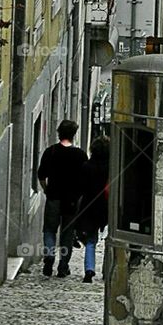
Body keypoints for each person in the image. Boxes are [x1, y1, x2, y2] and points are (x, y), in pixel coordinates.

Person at [38, 119, 88, 277]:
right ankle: (63, 266)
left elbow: (41, 176)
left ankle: (49, 256)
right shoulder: (80, 155)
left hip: (54, 197)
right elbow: (84, 180)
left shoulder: (50, 151)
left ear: (59, 133)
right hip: (72, 200)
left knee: (49, 230)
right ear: (74, 134)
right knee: (67, 233)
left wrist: (47, 190)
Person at [77, 136, 110, 283]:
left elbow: (81, 188)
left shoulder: (86, 166)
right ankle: (106, 271)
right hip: (106, 207)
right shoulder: (111, 167)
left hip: (89, 206)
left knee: (91, 240)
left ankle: (89, 270)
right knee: (110, 239)